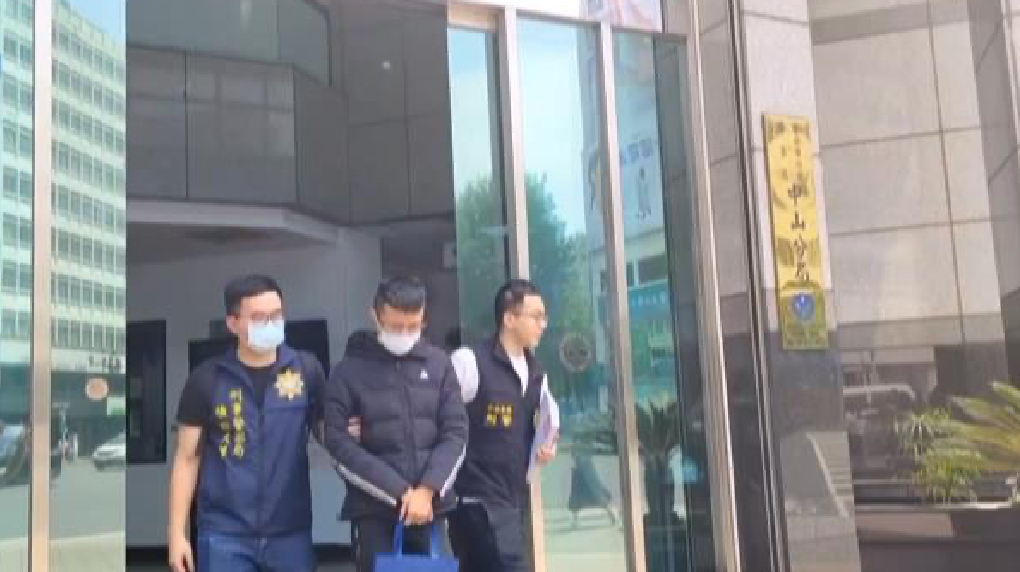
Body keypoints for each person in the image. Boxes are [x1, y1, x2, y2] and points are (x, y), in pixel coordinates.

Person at [168, 275, 325, 572]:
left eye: (276, 315)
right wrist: (177, 534)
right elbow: (187, 458)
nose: (271, 324)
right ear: (233, 323)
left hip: (290, 532)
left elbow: (328, 433)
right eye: (259, 318)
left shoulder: (306, 370)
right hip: (224, 534)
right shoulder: (207, 379)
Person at [324, 276, 468, 572]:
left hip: (432, 509)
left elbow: (456, 432)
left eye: (413, 326)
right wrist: (401, 492)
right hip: (374, 511)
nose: (405, 334)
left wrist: (427, 491)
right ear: (375, 316)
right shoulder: (348, 373)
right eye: (395, 326)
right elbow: (338, 444)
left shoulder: (439, 364)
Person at [448, 279, 560, 572]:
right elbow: (437, 415)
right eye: (536, 317)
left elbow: (536, 426)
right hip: (475, 499)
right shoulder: (470, 361)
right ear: (509, 319)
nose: (543, 325)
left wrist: (545, 447)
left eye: (544, 317)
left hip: (512, 497)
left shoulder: (536, 373)